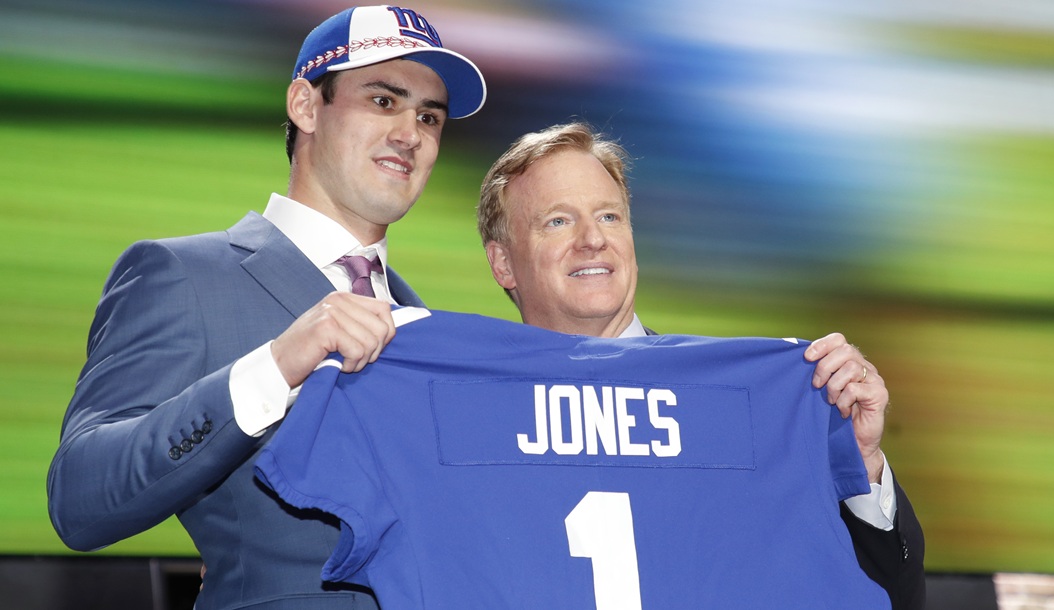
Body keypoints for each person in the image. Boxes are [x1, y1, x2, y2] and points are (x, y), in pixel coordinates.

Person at [46, 5, 485, 609]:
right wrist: (275, 368)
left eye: (429, 116)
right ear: (305, 106)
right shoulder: (180, 275)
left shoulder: (425, 324)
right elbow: (80, 500)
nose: (410, 133)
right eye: (384, 101)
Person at [477, 122, 926, 609]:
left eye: (609, 217)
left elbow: (894, 594)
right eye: (558, 221)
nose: (592, 240)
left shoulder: (753, 403)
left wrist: (858, 463)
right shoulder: (474, 419)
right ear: (502, 262)